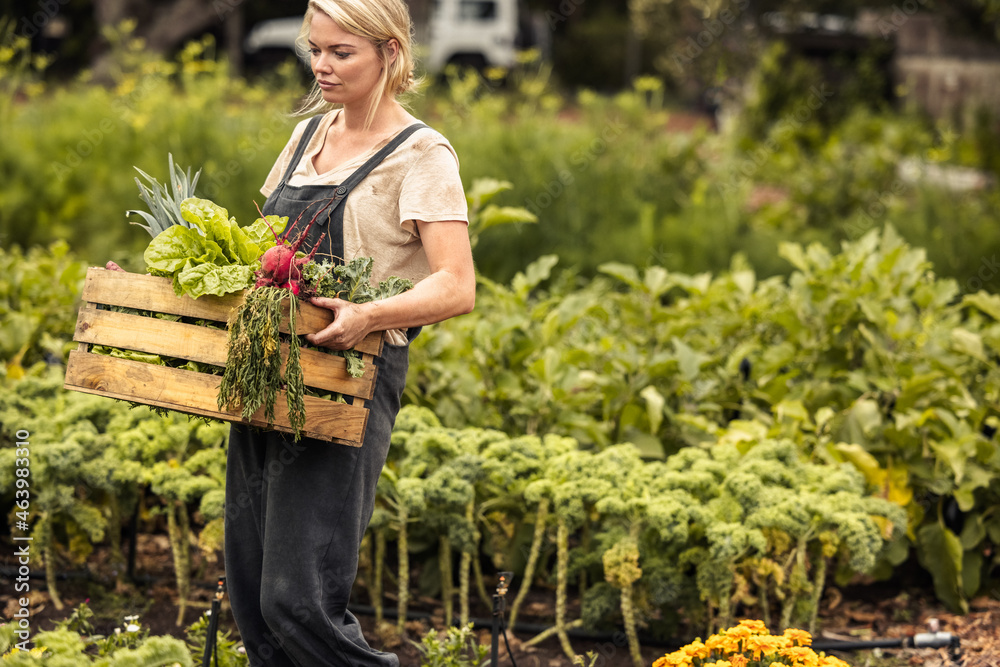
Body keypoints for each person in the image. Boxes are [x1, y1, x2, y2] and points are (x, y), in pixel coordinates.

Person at [223, 1, 475, 665]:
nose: (321, 65)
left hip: (347, 381)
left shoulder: (422, 155)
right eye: (316, 49)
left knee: (297, 601)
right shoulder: (308, 138)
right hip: (270, 369)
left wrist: (368, 314)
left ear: (389, 54)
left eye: (341, 52)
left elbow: (456, 285)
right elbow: (267, 248)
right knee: (252, 597)